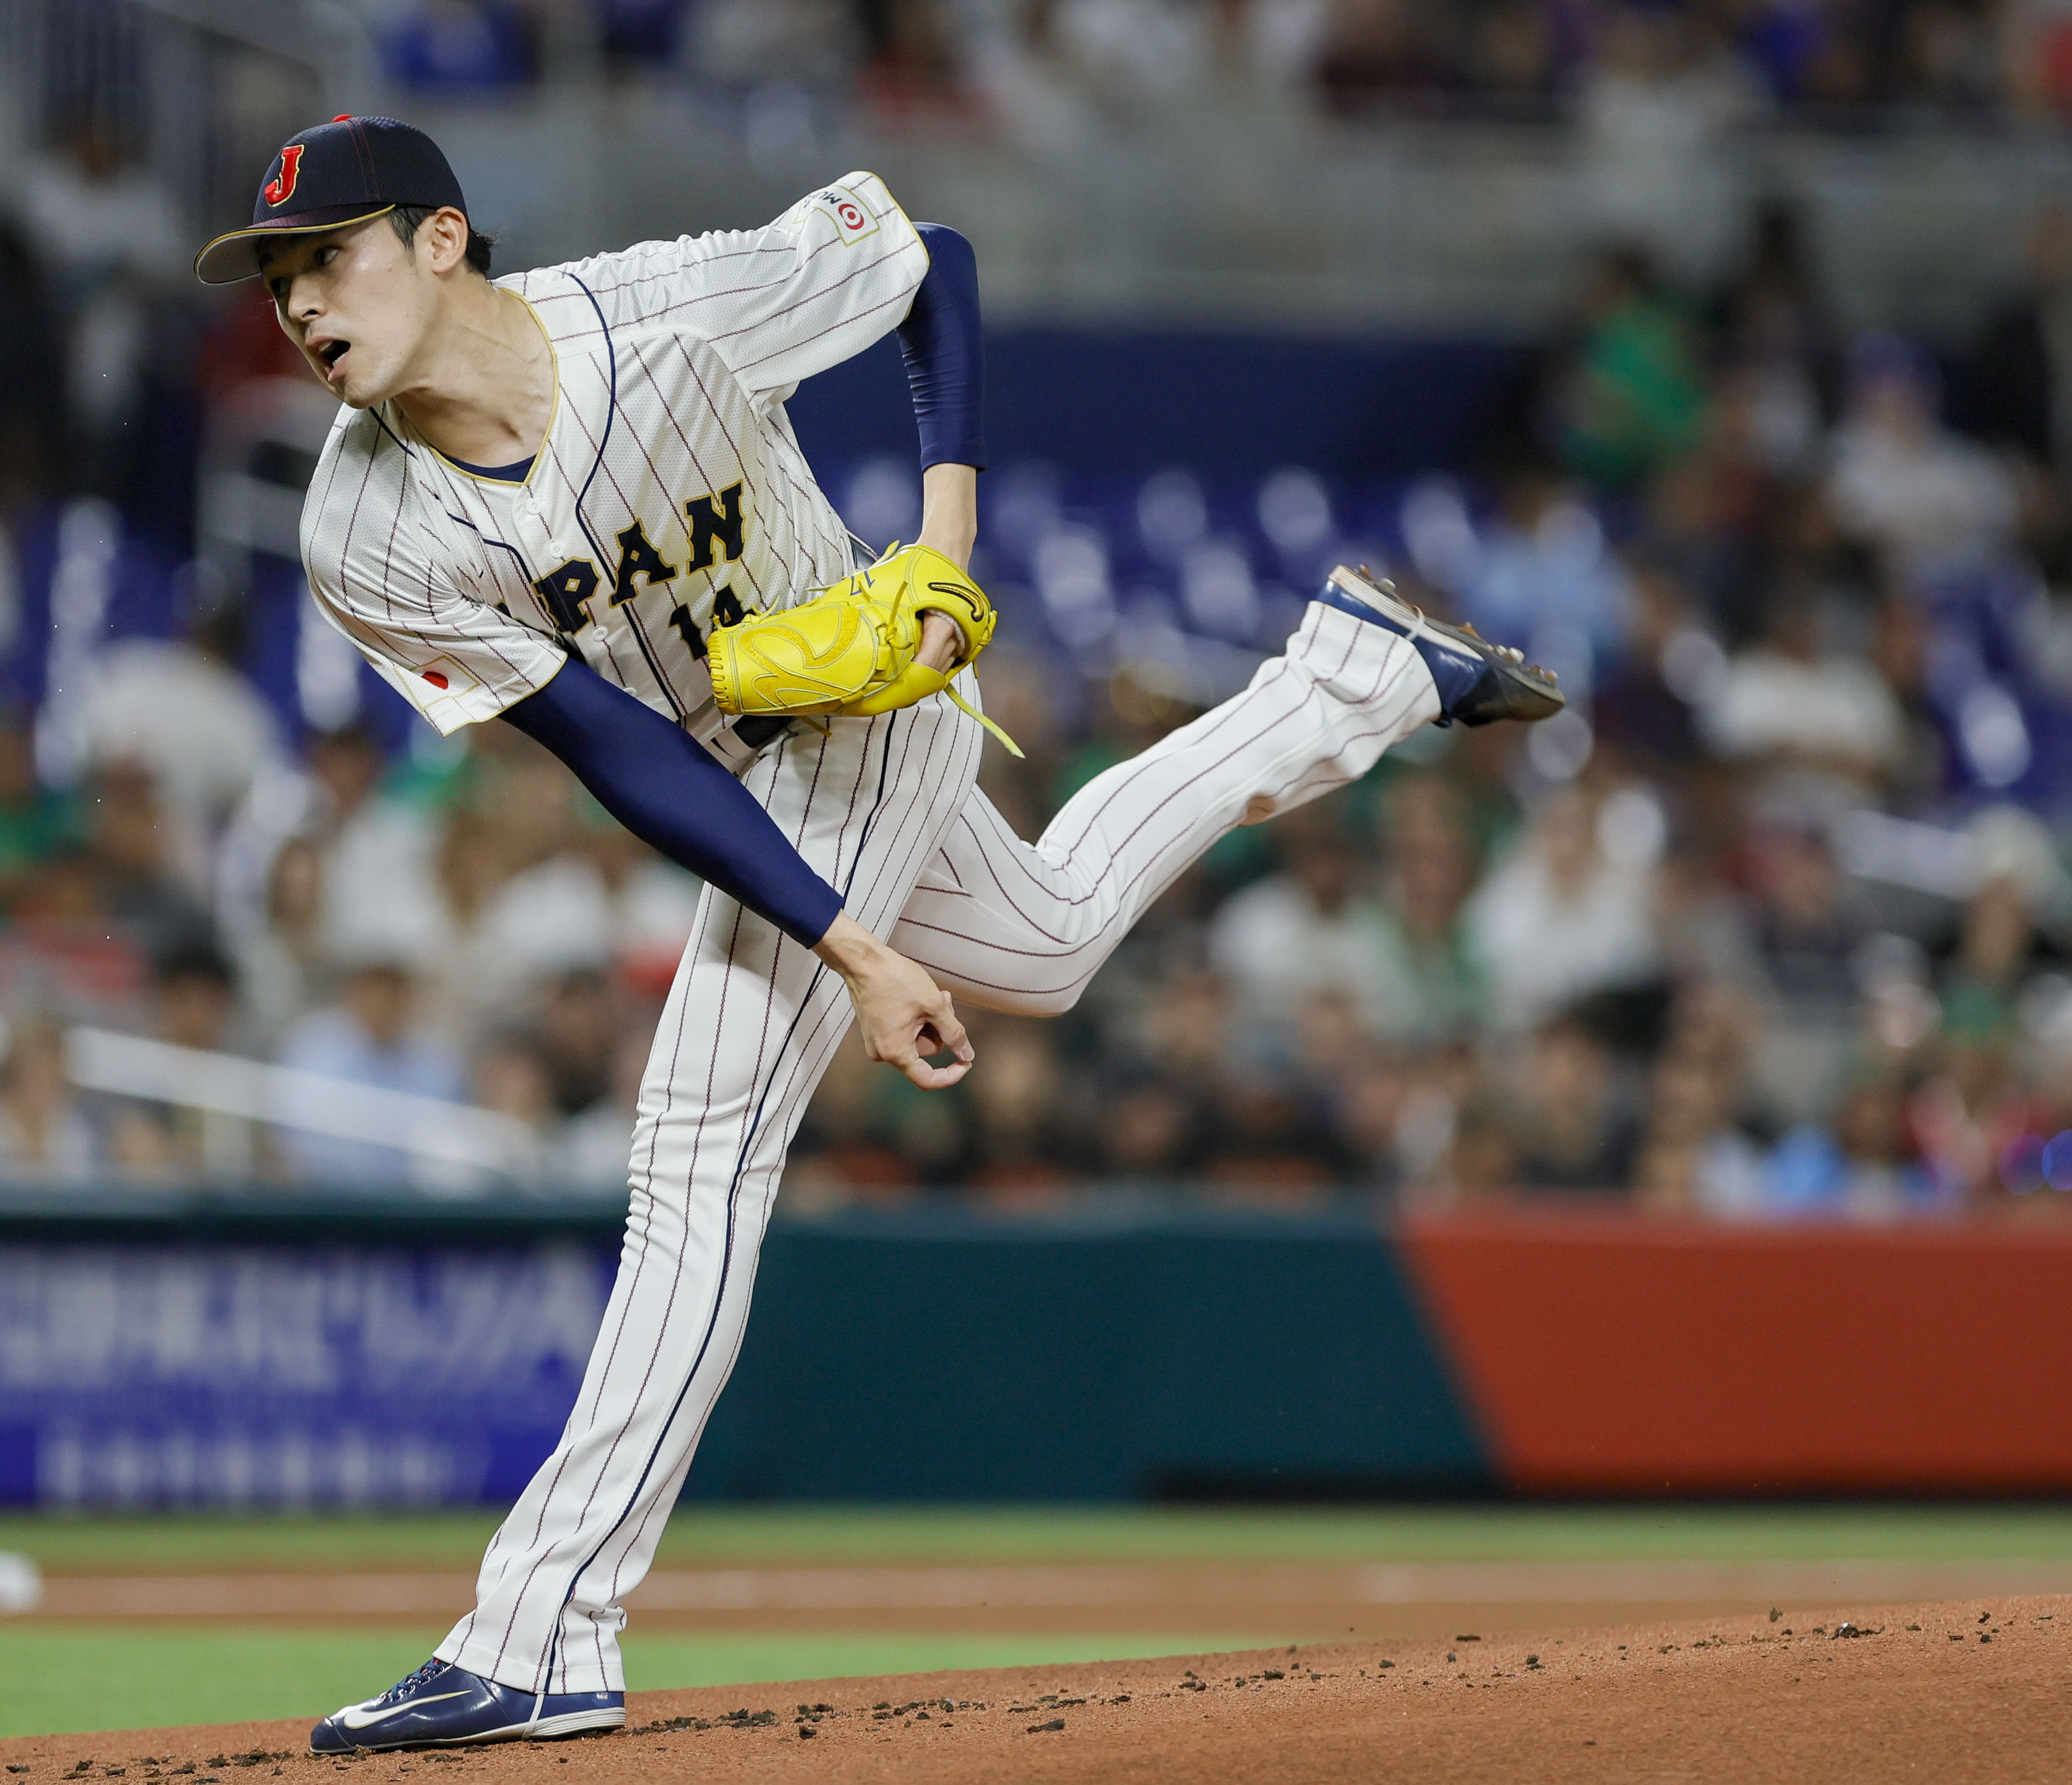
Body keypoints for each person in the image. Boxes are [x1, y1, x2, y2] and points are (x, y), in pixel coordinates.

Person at [197, 115, 1560, 1754]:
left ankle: (542, 1628)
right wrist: (850, 941)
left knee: (696, 1141)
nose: (298, 304)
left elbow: (935, 265)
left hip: (866, 704)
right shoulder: (363, 529)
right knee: (1045, 941)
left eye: (325, 257)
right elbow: (614, 749)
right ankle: (1352, 679)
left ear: (436, 240)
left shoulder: (663, 310)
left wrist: (945, 542)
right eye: (276, 279)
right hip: (728, 763)